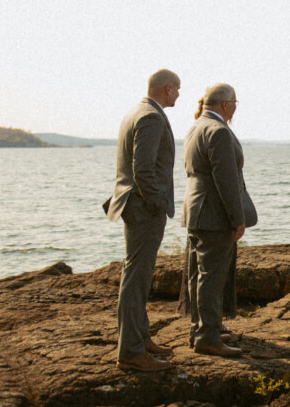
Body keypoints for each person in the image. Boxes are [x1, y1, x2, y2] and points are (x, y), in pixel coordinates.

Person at [104, 69, 180, 372]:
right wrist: (157, 203)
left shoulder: (136, 111)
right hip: (142, 208)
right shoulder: (150, 116)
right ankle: (131, 351)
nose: (178, 94)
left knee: (138, 274)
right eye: (177, 89)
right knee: (136, 278)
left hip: (133, 205)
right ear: (166, 88)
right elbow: (143, 169)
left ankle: (141, 338)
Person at [182, 84, 257, 357]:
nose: (237, 106)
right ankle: (208, 336)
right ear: (225, 104)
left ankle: (198, 329)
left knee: (197, 276)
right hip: (214, 214)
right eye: (236, 102)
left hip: (194, 210)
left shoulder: (195, 127)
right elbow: (225, 180)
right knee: (211, 277)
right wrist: (237, 219)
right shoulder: (219, 132)